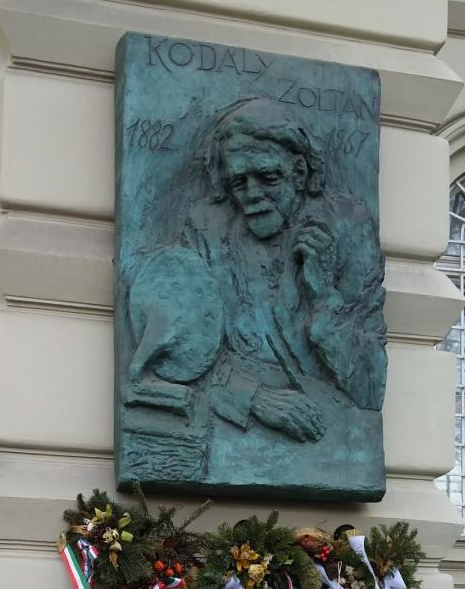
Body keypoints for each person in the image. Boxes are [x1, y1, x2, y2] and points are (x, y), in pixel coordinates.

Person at [123, 97, 386, 468]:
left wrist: (323, 296)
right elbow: (182, 351)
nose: (252, 195)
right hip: (232, 434)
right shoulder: (206, 227)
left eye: (268, 178)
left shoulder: (349, 227)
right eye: (239, 182)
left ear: (298, 172)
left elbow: (371, 388)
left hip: (337, 438)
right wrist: (255, 398)